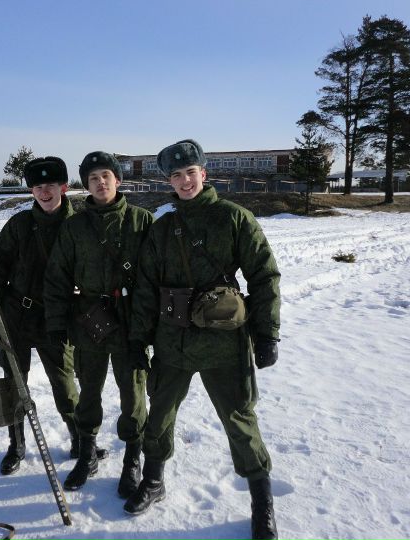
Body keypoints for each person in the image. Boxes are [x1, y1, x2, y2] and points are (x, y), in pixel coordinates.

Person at [123, 140, 281, 540]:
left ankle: (262, 502)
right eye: (176, 175)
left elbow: (263, 276)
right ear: (169, 181)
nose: (184, 180)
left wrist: (267, 334)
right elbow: (144, 287)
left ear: (204, 174)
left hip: (224, 343)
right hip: (172, 342)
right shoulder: (162, 228)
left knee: (240, 421)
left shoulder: (233, 218)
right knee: (159, 416)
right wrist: (138, 340)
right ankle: (155, 481)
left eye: (190, 172)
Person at [45, 151, 153, 498]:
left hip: (129, 321)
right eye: (93, 178)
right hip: (88, 320)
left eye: (106, 176)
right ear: (85, 185)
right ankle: (87, 454)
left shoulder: (141, 221)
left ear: (117, 180)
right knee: (88, 391)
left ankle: (132, 460)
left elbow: (156, 279)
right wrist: (57, 324)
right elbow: (58, 276)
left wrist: (149, 328)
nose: (100, 182)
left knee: (132, 393)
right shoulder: (74, 226)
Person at [0, 156, 81, 475]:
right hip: (16, 317)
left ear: (63, 187)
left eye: (50, 186)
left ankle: (80, 440)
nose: (44, 192)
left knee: (65, 385)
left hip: (57, 320)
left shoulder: (79, 227)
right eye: (37, 187)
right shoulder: (19, 225)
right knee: (14, 385)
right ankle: (16, 445)